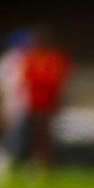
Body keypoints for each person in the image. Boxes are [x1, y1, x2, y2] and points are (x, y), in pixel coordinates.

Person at [0, 29, 33, 185]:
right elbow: (0, 89)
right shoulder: (5, 63)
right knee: (10, 139)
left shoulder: (25, 61)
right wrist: (0, 109)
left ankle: (12, 167)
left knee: (19, 140)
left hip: (24, 106)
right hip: (11, 106)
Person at [20, 30, 71, 173]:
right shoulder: (31, 59)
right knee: (34, 135)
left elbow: (58, 79)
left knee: (47, 136)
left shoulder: (55, 59)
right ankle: (35, 164)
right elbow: (27, 79)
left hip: (50, 103)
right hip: (34, 103)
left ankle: (48, 165)